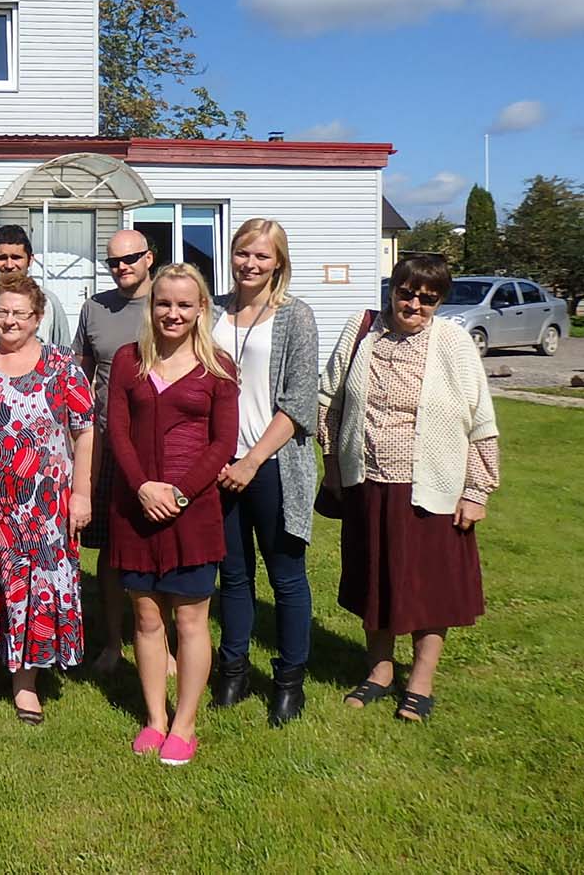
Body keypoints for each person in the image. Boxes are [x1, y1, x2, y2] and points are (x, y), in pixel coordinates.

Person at [319, 257, 498, 723]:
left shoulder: (453, 342)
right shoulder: (362, 332)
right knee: (374, 582)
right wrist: (333, 464)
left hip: (433, 488)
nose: (414, 304)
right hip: (368, 484)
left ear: (439, 302)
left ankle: (420, 681)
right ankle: (379, 671)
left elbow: (481, 419)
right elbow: (329, 401)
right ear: (392, 289)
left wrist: (476, 490)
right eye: (406, 293)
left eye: (427, 299)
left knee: (429, 588)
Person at [0, 274, 93, 725]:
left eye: (19, 313)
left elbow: (84, 431)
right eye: (2, 311)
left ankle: (26, 686)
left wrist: (81, 493)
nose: (9, 320)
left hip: (44, 510)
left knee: (36, 592)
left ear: (38, 317)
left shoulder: (62, 367)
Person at [108, 264, 238, 766]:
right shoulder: (129, 360)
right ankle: (154, 719)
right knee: (146, 617)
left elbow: (223, 442)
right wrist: (143, 487)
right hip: (136, 506)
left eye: (184, 304)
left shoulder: (218, 367)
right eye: (164, 303)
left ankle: (184, 725)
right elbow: (118, 431)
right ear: (151, 305)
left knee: (190, 619)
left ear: (201, 308)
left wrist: (180, 494)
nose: (173, 313)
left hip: (193, 510)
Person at [209, 219, 319, 726]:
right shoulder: (213, 312)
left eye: (261, 256)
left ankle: (289, 682)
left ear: (278, 263)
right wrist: (219, 459)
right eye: (243, 253)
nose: (250, 264)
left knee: (286, 578)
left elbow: (300, 402)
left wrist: (251, 461)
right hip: (219, 466)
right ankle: (232, 671)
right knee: (233, 576)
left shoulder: (296, 317)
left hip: (272, 465)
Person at [73, 228, 154, 674]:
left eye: (130, 259)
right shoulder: (95, 308)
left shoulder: (168, 303)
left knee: (155, 547)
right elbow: (79, 375)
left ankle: (161, 640)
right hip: (105, 442)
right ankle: (112, 642)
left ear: (149, 258)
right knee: (107, 549)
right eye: (113, 262)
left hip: (155, 446)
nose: (122, 267)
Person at [0, 225, 71, 353]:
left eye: (16, 257)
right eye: (2, 258)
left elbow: (64, 354)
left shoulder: (49, 303)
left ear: (30, 260)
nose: (9, 265)